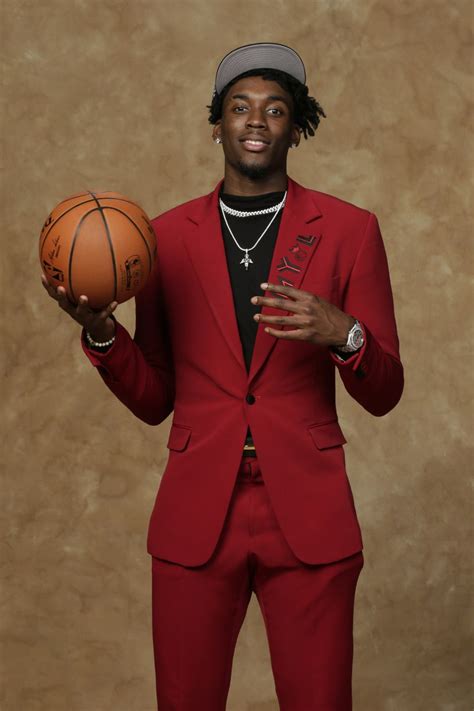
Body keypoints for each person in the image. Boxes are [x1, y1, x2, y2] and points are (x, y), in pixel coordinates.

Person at [41, 42, 404, 711]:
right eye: (239, 107)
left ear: (297, 125)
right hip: (196, 512)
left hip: (309, 510)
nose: (256, 119)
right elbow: (155, 399)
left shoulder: (351, 231)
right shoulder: (160, 239)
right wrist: (100, 332)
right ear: (217, 124)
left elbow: (384, 392)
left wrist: (345, 334)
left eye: (275, 108)